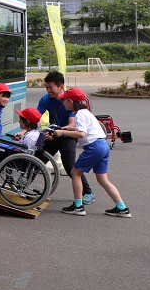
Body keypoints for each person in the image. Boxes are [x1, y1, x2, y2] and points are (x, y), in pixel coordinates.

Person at [56, 88, 131, 218]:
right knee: (103, 179)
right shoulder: (86, 112)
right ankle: (122, 208)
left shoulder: (79, 114)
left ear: (70, 101)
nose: (63, 102)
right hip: (103, 146)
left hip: (94, 147)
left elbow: (82, 133)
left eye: (64, 100)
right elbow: (84, 128)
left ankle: (78, 206)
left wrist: (63, 132)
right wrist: (69, 127)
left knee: (75, 172)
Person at [36, 71, 95, 204]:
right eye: (46, 87)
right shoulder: (46, 99)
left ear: (61, 86)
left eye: (51, 87)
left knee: (69, 166)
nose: (48, 90)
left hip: (68, 135)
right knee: (38, 157)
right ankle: (22, 184)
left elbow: (72, 124)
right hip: (53, 134)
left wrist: (59, 132)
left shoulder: (69, 100)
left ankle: (88, 193)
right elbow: (35, 117)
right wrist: (25, 130)